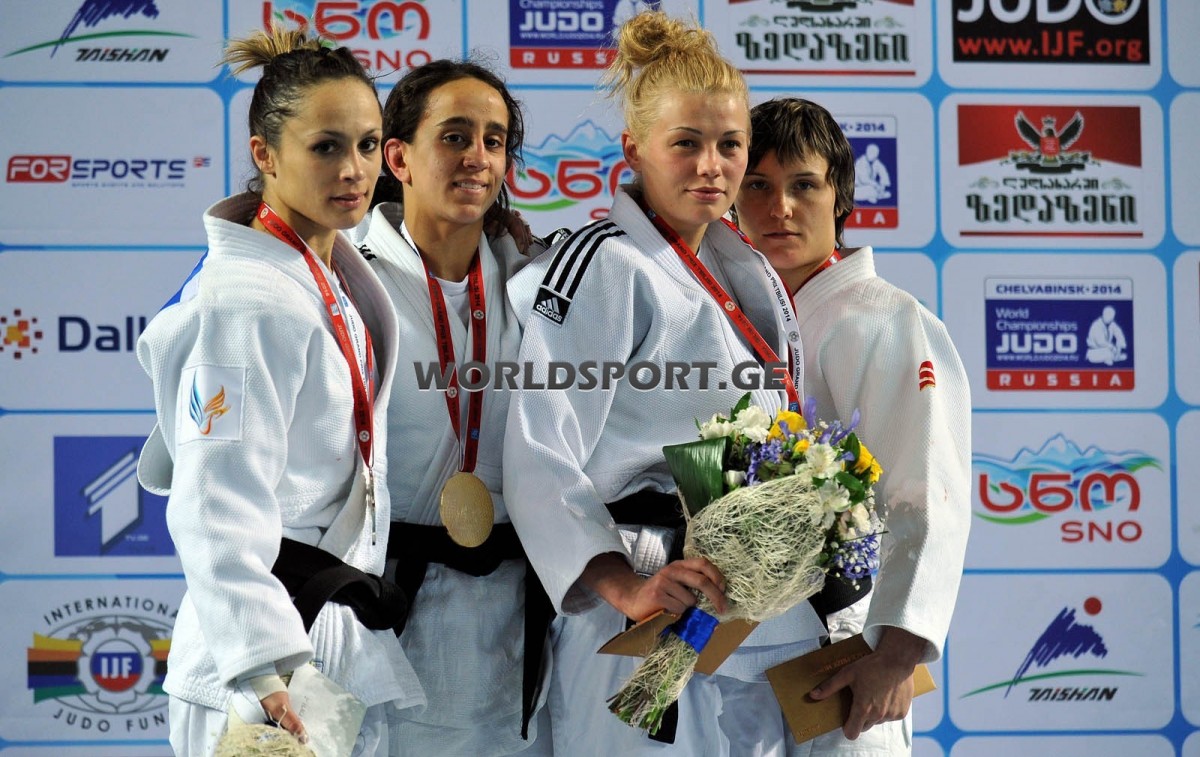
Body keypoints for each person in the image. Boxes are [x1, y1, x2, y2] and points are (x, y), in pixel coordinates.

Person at [503, 11, 807, 756]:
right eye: (686, 144)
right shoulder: (605, 263)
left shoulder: (741, 265)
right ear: (634, 150)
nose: (712, 165)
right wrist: (623, 585)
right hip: (641, 588)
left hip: (727, 591)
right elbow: (539, 452)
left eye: (730, 144)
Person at [136, 27, 422, 756]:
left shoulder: (327, 276)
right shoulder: (245, 300)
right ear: (264, 155)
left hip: (322, 641)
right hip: (256, 662)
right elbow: (213, 497)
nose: (354, 169)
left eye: (367, 144)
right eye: (325, 147)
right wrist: (261, 666)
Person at [731, 96, 972, 755]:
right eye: (758, 185)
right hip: (738, 648)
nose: (780, 208)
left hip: (851, 644)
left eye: (804, 185)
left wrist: (897, 653)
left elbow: (928, 490)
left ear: (841, 198)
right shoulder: (724, 319)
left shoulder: (887, 318)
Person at [353, 59, 554, 756]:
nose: (478, 156)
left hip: (508, 618)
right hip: (381, 607)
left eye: (494, 141)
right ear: (398, 158)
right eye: (455, 136)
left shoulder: (536, 285)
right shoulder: (344, 279)